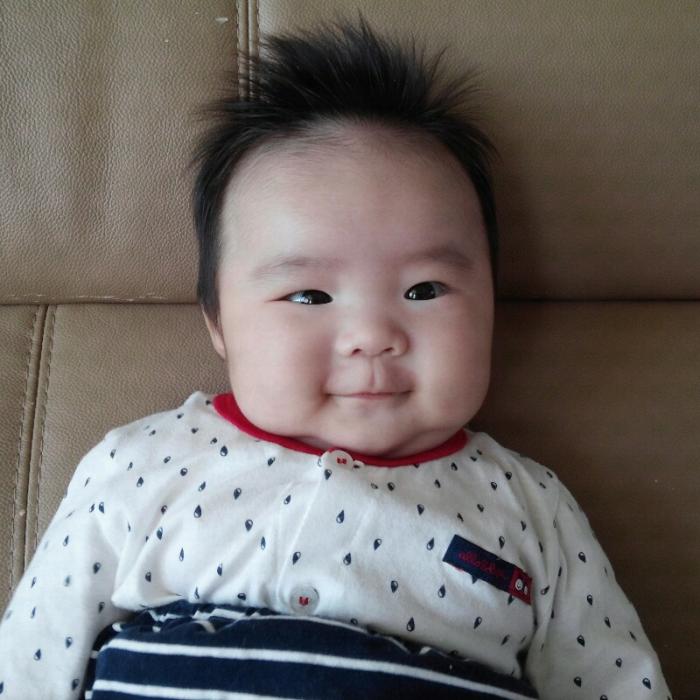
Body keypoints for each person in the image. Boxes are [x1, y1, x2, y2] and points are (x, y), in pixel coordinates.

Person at [0, 15, 671, 700]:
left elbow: (615, 681)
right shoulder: (141, 466)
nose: (371, 335)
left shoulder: (529, 508)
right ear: (219, 323)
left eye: (424, 290)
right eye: (309, 295)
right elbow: (32, 660)